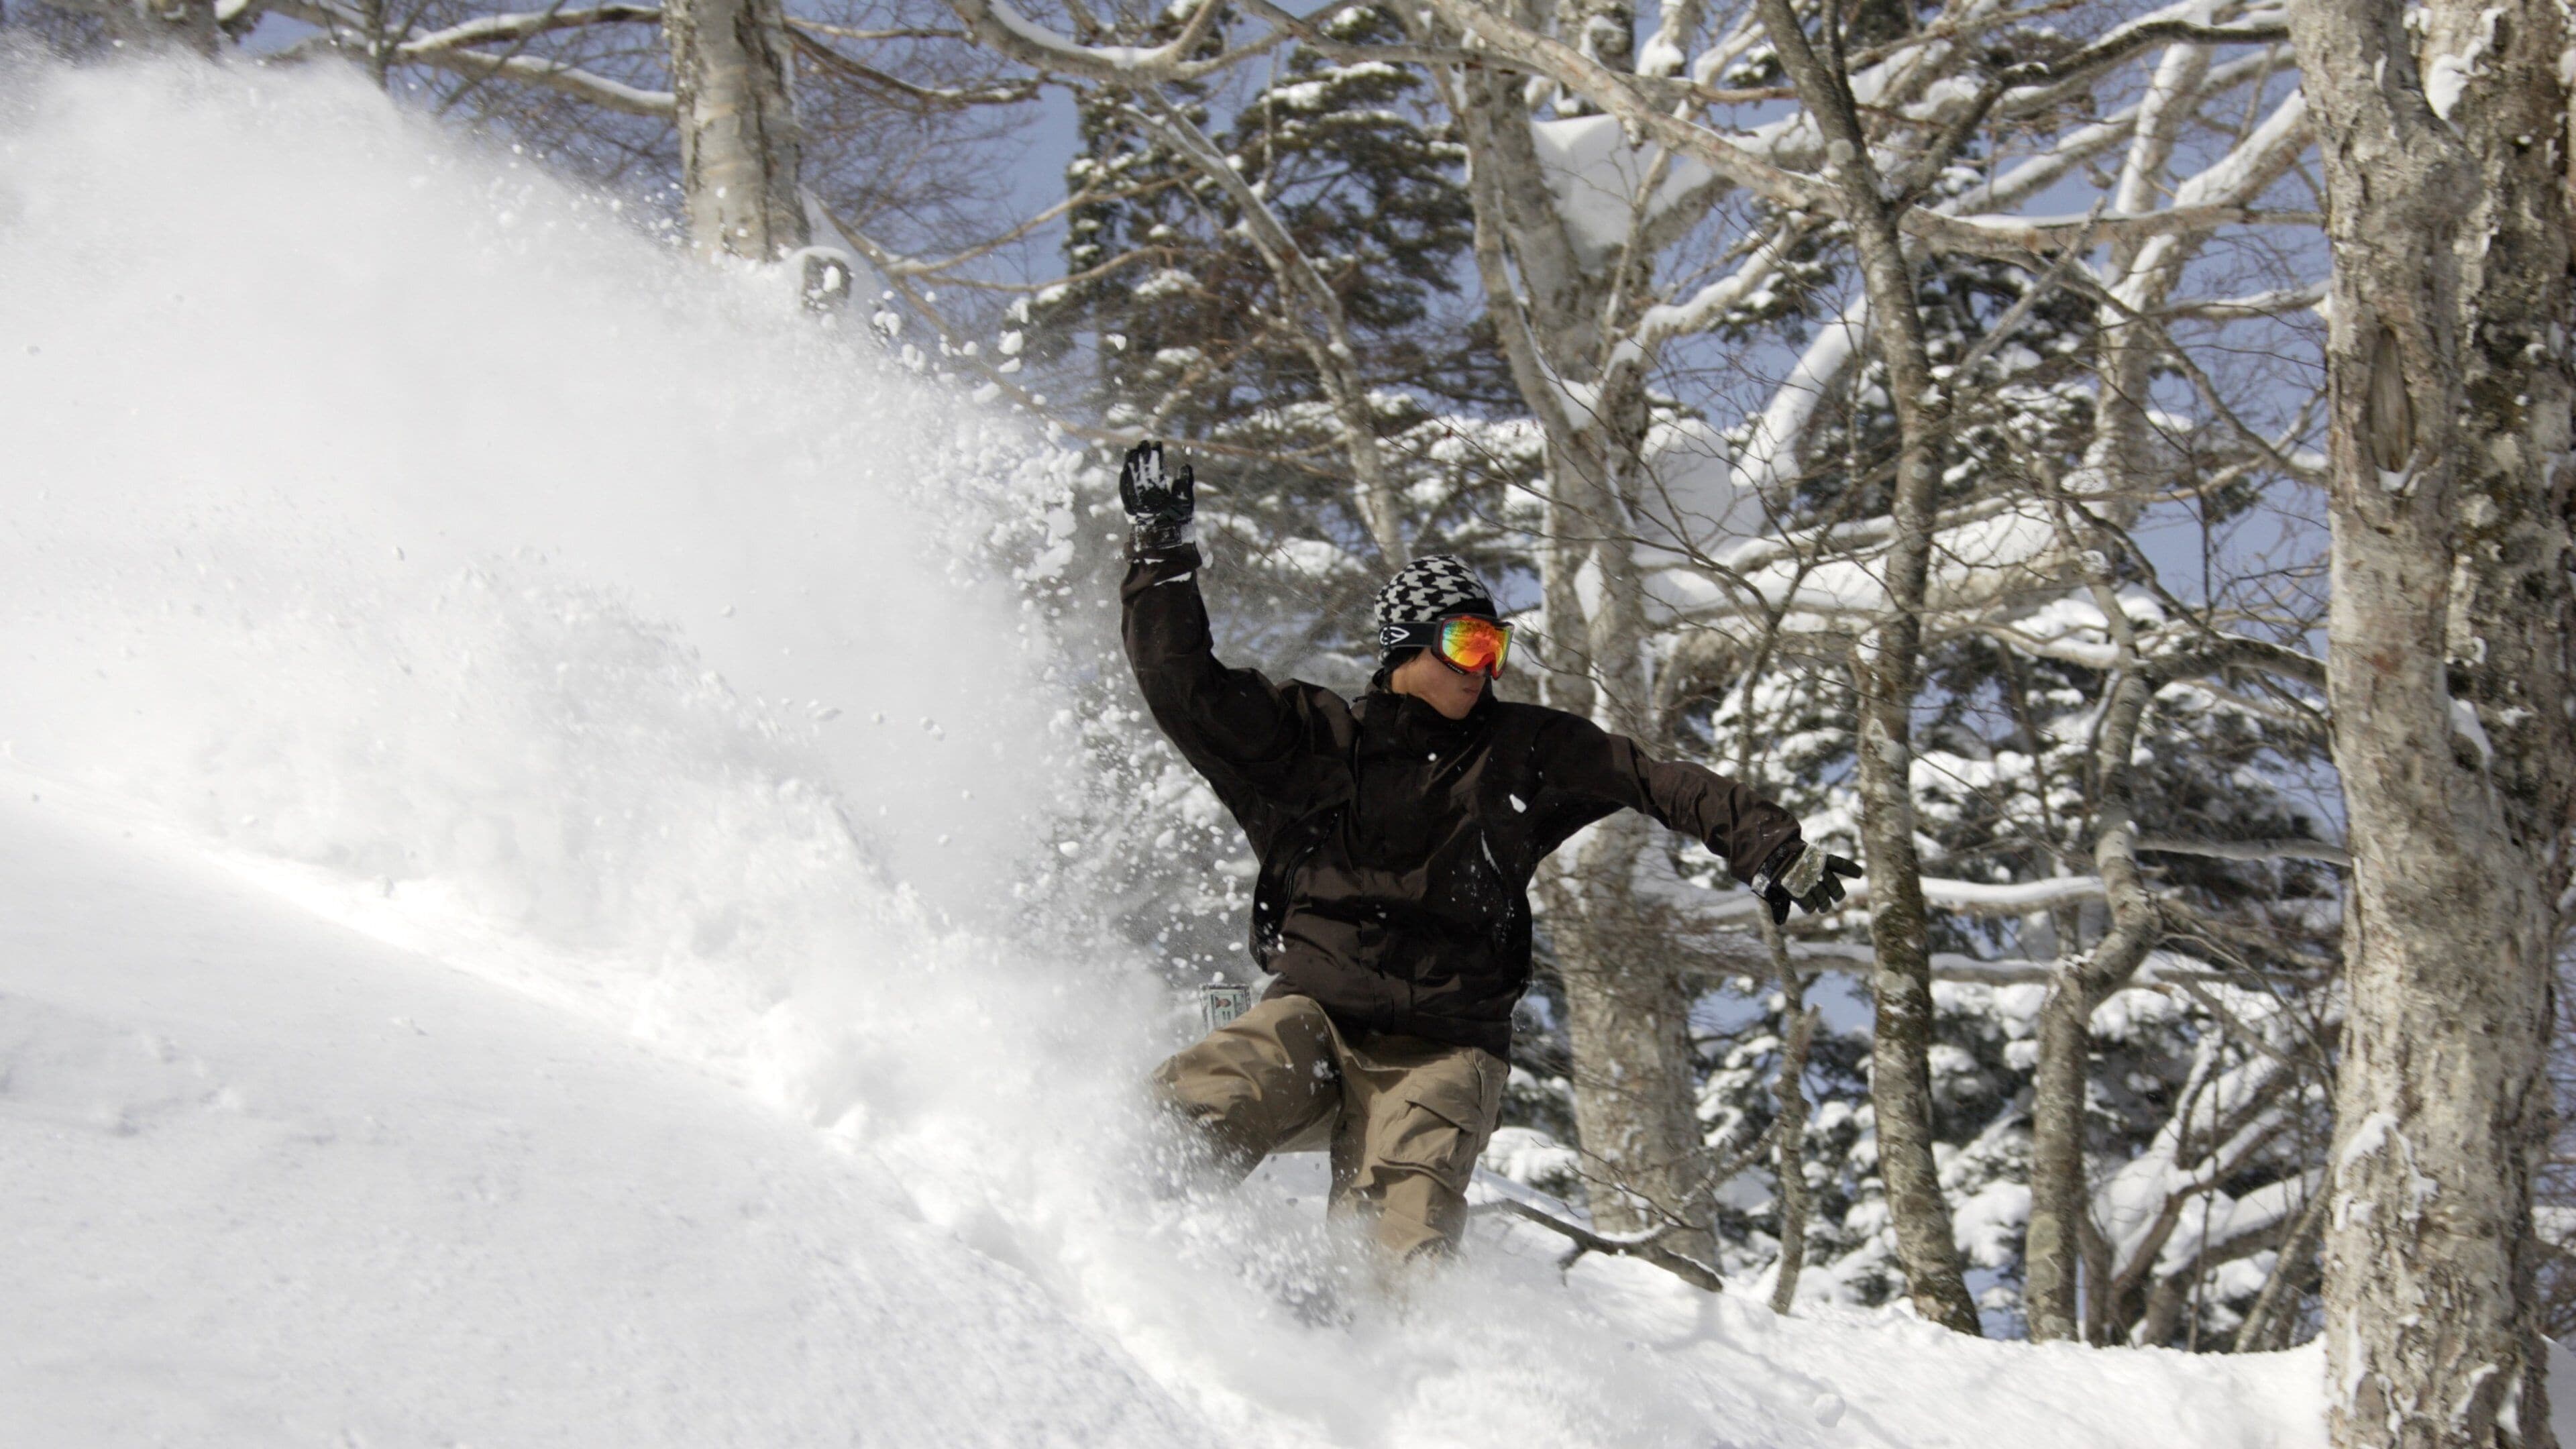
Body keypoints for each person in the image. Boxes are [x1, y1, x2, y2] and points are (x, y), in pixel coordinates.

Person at [1117, 440, 1858, 1267]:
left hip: (1444, 1047)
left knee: (1399, 1240)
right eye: (1469, 645)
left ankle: (1376, 1358)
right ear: (1407, 647)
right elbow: (1182, 686)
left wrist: (1769, 846)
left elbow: (1655, 781)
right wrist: (1162, 554)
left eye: (1496, 648)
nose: (1488, 668)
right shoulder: (1313, 743)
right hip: (1315, 1015)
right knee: (1207, 1100)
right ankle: (1115, 1253)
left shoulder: (1521, 753)